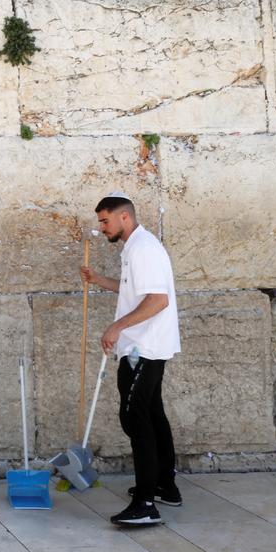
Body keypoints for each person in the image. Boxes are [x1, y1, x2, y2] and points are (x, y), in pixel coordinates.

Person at [80, 191, 182, 526]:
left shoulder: (143, 249)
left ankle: (145, 504)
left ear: (125, 217)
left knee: (134, 418)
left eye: (105, 221)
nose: (103, 227)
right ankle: (165, 486)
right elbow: (132, 292)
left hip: (144, 348)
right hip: (144, 346)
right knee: (152, 415)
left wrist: (116, 326)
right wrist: (97, 280)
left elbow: (157, 300)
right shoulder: (135, 248)